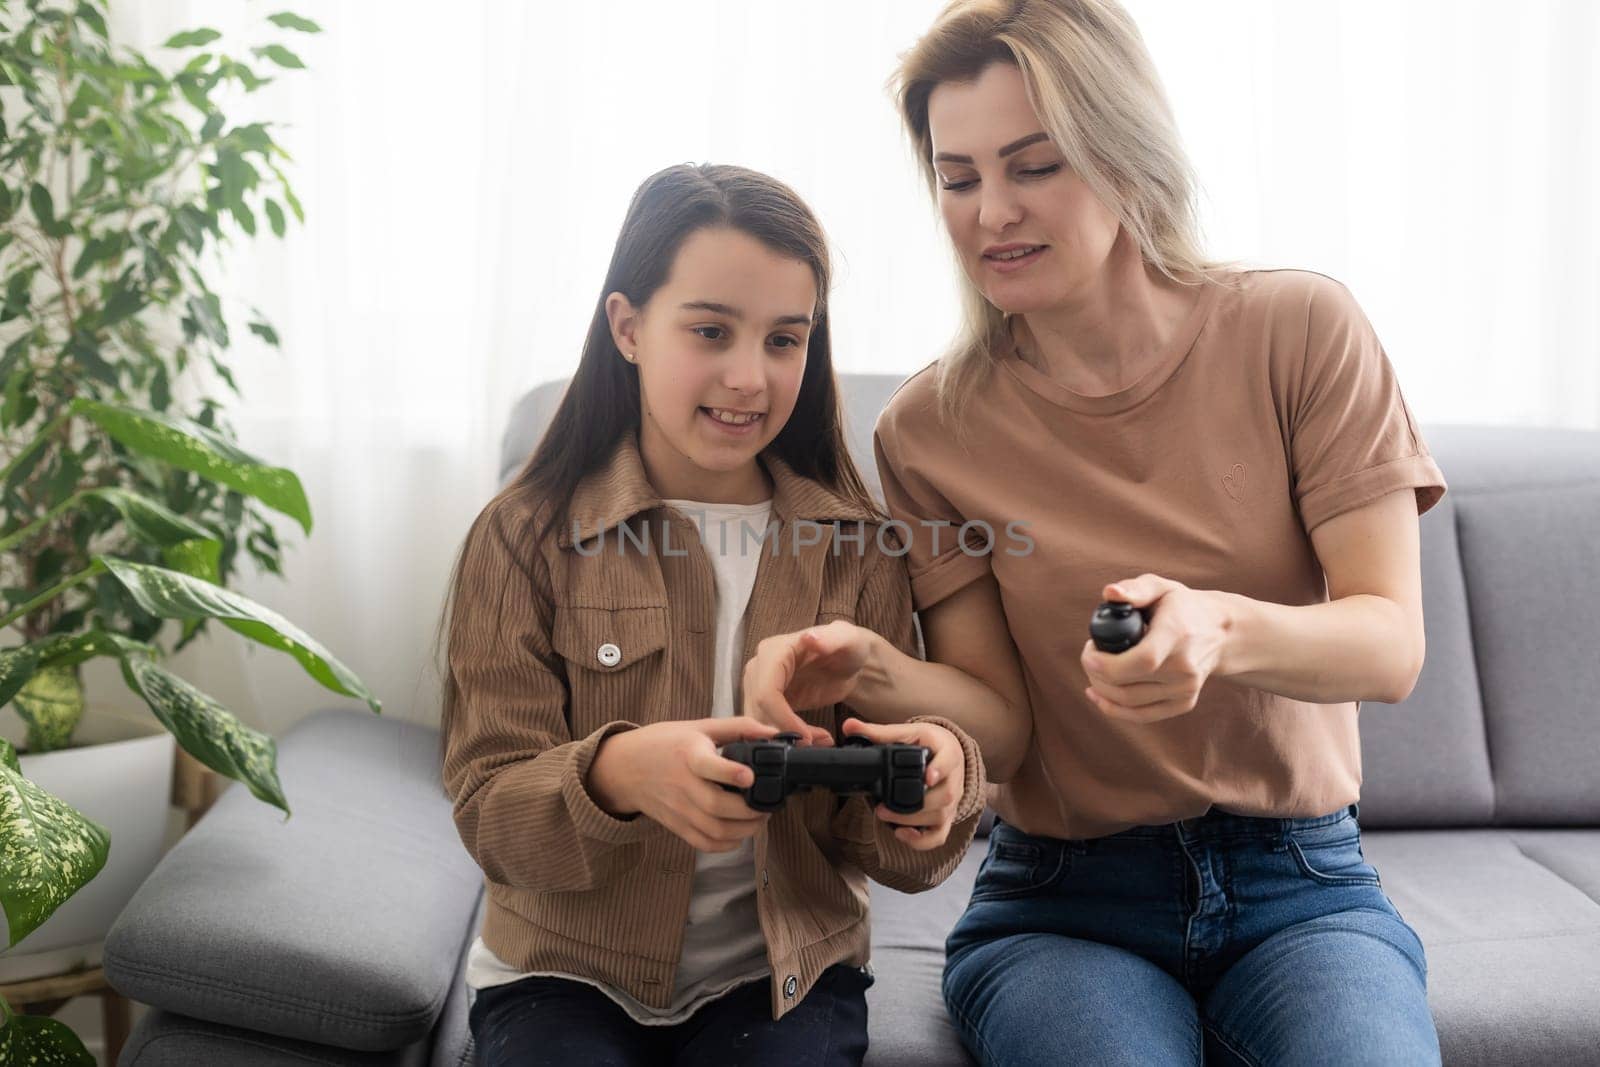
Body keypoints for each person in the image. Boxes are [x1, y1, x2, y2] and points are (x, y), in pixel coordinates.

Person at [740, 2, 1447, 1063]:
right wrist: (873, 669)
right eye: (958, 175)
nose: (990, 213)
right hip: (1064, 901)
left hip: (1300, 883)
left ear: (1123, 153)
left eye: (1035, 165)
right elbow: (1005, 728)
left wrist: (1217, 628)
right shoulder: (930, 430)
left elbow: (1389, 644)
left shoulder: (1300, 331)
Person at [438, 163, 988, 1067]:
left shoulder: (857, 547)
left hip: (783, 982)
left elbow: (895, 858)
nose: (748, 376)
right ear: (628, 327)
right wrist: (618, 773)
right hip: (562, 975)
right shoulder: (522, 538)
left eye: (784, 338)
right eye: (709, 330)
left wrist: (939, 781)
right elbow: (490, 814)